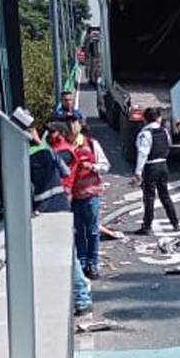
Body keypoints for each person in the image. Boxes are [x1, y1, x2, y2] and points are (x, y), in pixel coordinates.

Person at [29, 124, 91, 315]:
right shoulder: (50, 152)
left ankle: (79, 298)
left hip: (43, 211)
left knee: (52, 255)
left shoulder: (23, 158)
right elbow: (65, 173)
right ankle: (81, 298)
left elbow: (26, 189)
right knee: (68, 253)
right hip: (61, 205)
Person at [69, 119, 109, 279]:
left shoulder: (91, 144)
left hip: (90, 195)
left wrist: (92, 167)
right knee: (78, 231)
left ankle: (92, 264)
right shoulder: (63, 147)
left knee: (92, 231)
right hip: (72, 196)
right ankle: (82, 261)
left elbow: (105, 165)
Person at [131, 107, 180, 236]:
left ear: (144, 119)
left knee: (149, 197)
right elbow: (168, 145)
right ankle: (175, 223)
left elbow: (142, 153)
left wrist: (138, 172)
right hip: (163, 165)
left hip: (150, 167)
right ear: (158, 118)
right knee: (165, 195)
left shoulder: (144, 134)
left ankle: (147, 226)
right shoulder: (164, 131)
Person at [28, 127, 71, 214]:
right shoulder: (51, 153)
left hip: (41, 207)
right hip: (61, 202)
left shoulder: (26, 160)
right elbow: (66, 173)